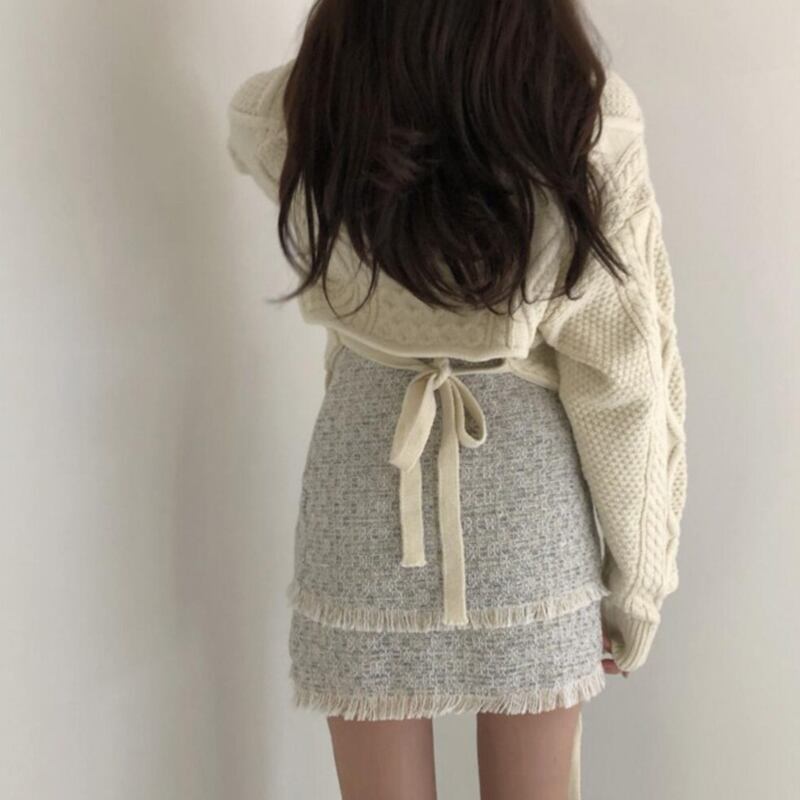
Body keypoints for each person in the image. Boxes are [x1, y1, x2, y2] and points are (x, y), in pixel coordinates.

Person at [226, 1, 688, 798]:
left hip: (362, 483)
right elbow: (624, 377)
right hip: (528, 502)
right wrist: (639, 585)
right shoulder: (583, 117)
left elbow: (250, 122)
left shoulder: (304, 106)